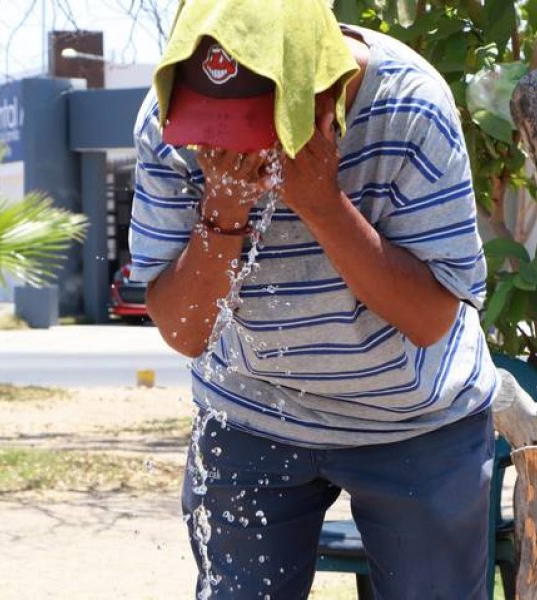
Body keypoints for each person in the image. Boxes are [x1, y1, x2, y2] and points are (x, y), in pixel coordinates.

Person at [129, 1, 499, 597]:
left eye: (260, 124)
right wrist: (222, 212)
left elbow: (430, 319)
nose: (239, 148)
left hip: (417, 419)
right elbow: (185, 331)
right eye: (219, 130)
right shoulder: (174, 120)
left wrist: (322, 202)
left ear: (326, 89)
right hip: (250, 413)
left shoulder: (409, 105)